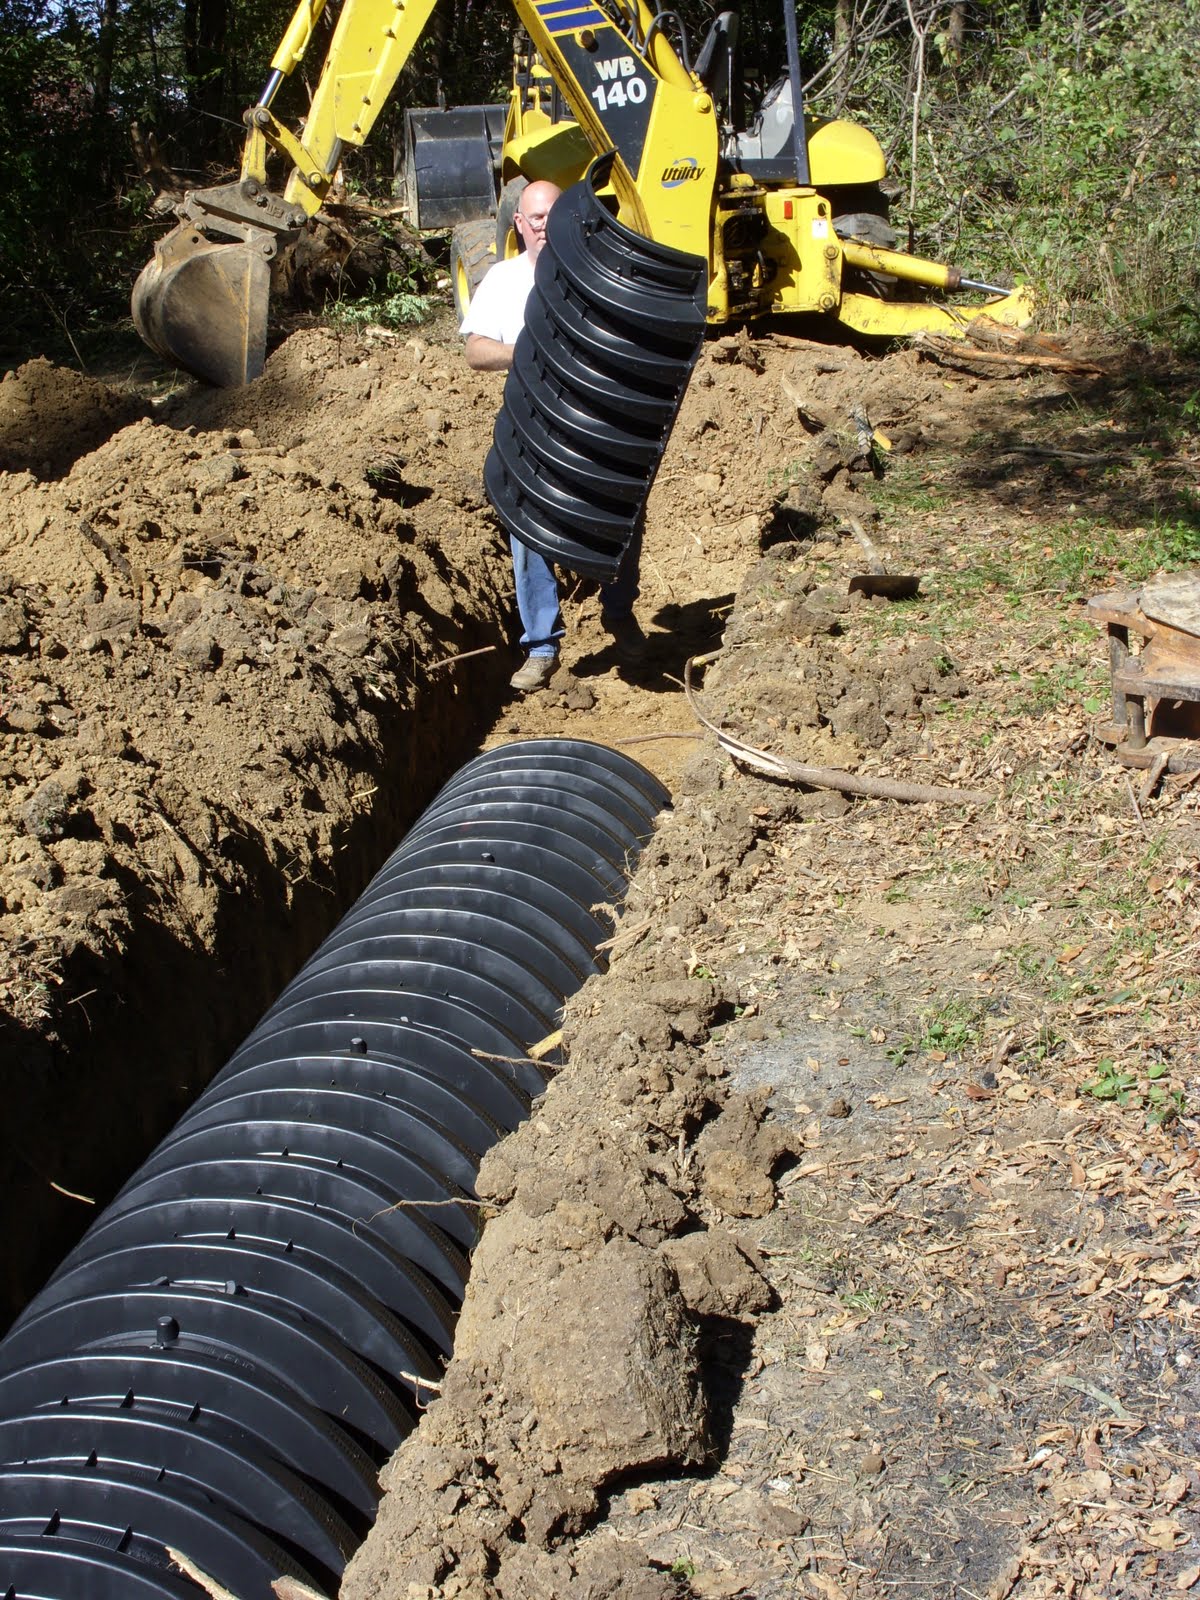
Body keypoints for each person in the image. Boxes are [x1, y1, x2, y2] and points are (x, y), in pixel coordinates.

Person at [461, 179, 647, 692]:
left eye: (552, 215)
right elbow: (476, 350)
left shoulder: (598, 275)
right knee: (527, 529)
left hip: (599, 424)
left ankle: (618, 613)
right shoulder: (501, 280)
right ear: (519, 224)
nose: (544, 226)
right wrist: (528, 348)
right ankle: (541, 646)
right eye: (535, 218)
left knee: (622, 515)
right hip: (535, 428)